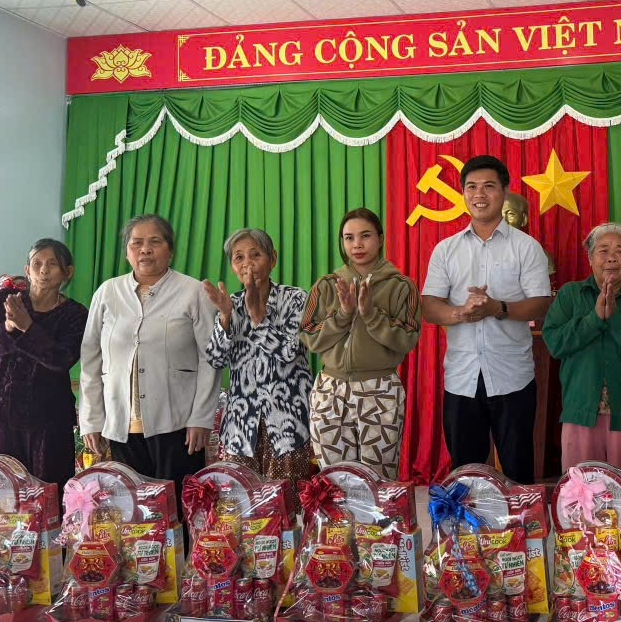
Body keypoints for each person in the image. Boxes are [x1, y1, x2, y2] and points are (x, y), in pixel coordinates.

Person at [422, 155, 552, 483]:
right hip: (462, 378)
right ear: (463, 193)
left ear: (504, 192)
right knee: (466, 476)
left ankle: (519, 519)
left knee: (518, 473)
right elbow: (428, 305)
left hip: (512, 377)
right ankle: (471, 520)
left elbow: (541, 303)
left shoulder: (527, 247)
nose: (479, 194)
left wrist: (498, 308)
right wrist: (459, 313)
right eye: (472, 187)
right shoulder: (445, 250)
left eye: (489, 186)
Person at [79, 215, 220, 512]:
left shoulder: (192, 291)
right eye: (137, 243)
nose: (145, 249)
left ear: (170, 250)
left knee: (179, 511)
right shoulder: (107, 292)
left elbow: (211, 358)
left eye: (155, 241)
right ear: (127, 252)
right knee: (134, 512)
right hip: (121, 426)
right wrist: (91, 419)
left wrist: (201, 417)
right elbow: (90, 359)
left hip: (179, 426)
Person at [300, 208, 422, 477]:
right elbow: (309, 336)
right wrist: (343, 315)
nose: (357, 244)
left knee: (378, 478)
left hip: (380, 388)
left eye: (365, 236)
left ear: (380, 239)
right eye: (349, 238)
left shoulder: (401, 286)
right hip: (330, 390)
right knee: (334, 478)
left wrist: (370, 314)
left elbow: (407, 339)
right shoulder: (326, 285)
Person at [544, 223, 621, 478]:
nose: (612, 257)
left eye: (620, 251)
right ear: (590, 258)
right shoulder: (570, 294)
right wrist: (595, 318)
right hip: (581, 412)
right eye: (603, 250)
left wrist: (615, 318)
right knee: (582, 493)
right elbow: (555, 343)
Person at [203, 229, 313, 506]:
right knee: (243, 509)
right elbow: (215, 359)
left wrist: (257, 316)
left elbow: (289, 352)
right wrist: (225, 317)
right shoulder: (230, 305)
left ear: (272, 259)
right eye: (239, 257)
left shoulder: (296, 299)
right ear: (232, 266)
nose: (247, 264)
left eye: (255, 255)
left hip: (288, 425)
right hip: (241, 427)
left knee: (288, 507)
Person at [0, 240, 87, 487]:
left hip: (49, 419)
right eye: (37, 264)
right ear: (27, 270)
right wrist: (8, 327)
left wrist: (28, 327)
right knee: (6, 489)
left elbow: (62, 359)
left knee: (50, 490)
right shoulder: (5, 301)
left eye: (52, 264)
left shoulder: (75, 314)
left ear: (68, 272)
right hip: (3, 413)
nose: (43, 270)